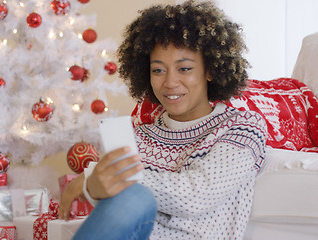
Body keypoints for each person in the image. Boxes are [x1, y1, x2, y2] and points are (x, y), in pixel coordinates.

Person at [59, 0, 267, 239]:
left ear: (210, 70)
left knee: (135, 194)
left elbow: (195, 195)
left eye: (184, 69)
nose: (169, 82)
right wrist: (95, 185)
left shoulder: (243, 127)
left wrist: (95, 178)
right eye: (158, 70)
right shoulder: (139, 136)